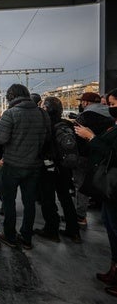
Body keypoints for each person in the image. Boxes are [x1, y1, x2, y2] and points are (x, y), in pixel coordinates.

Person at [74, 88, 117, 298]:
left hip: (111, 180)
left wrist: (91, 137)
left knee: (115, 227)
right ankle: (114, 269)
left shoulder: (89, 118)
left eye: (113, 104)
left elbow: (110, 151)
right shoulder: (112, 123)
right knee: (110, 226)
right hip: (108, 181)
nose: (110, 108)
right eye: (109, 103)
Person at [0, 83, 50, 249]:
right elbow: (47, 139)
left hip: (12, 165)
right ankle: (27, 237)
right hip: (34, 166)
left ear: (11, 97)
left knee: (9, 202)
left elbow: (1, 139)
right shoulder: (42, 113)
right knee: (29, 203)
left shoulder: (10, 114)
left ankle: (10, 236)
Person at [33, 96, 81, 243]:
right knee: (65, 197)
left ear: (46, 109)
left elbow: (41, 145)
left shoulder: (45, 125)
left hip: (49, 167)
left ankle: (51, 229)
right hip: (65, 167)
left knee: (48, 199)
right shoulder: (67, 124)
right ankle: (74, 231)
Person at [73, 91, 114, 226]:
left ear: (86, 103)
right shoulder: (110, 114)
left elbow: (76, 135)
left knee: (81, 185)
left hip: (86, 155)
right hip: (105, 159)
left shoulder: (85, 116)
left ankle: (80, 215)